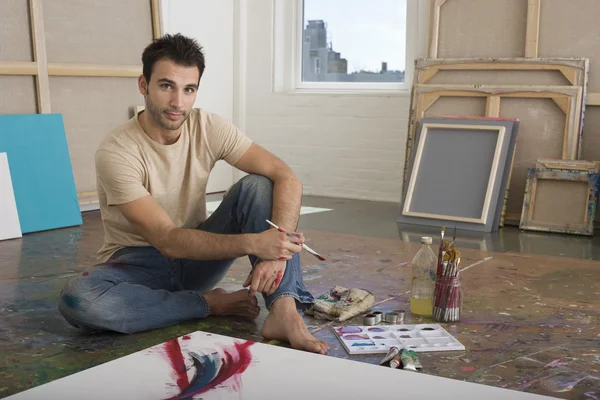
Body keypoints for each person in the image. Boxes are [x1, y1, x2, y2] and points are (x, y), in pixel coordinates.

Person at [57, 33, 328, 355]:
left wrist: (278, 247)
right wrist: (255, 243)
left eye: (189, 89)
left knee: (259, 185)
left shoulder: (209, 126)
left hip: (198, 258)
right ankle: (206, 304)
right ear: (144, 85)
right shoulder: (117, 151)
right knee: (80, 299)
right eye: (166, 86)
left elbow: (285, 176)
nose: (178, 103)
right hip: (139, 263)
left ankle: (284, 311)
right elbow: (167, 240)